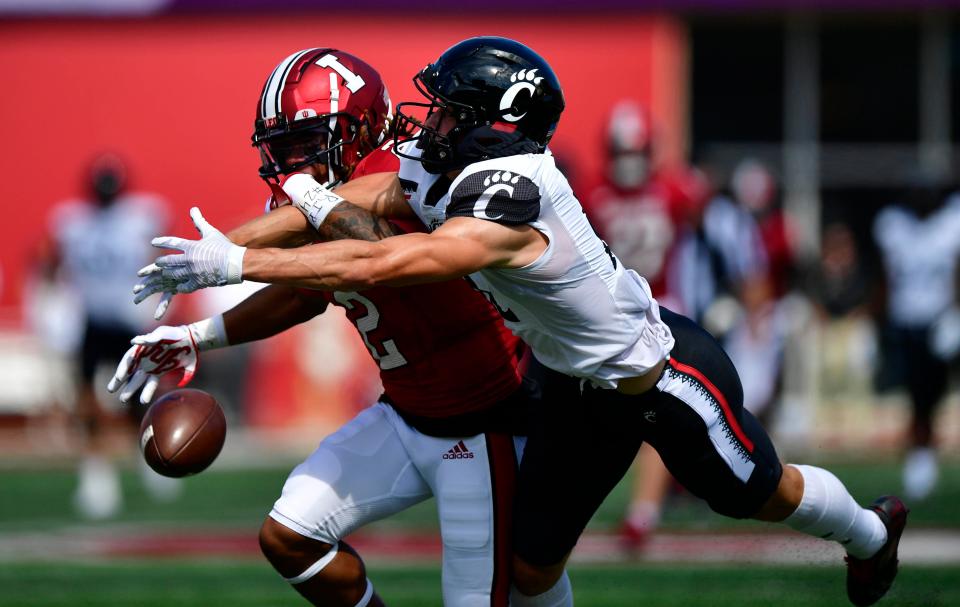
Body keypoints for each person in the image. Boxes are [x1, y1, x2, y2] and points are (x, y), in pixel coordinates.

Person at [135, 37, 908, 607]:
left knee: (757, 491)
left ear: (494, 124)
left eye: (448, 110)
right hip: (573, 390)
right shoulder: (447, 168)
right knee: (531, 571)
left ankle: (870, 536)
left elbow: (384, 262)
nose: (429, 121)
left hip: (657, 374)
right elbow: (370, 201)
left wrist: (233, 269)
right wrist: (221, 244)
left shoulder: (512, 195)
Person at [110, 47, 570, 607]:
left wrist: (280, 224)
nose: (293, 164)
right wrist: (196, 337)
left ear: (359, 129)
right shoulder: (320, 193)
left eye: (306, 144)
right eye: (282, 149)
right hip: (406, 415)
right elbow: (309, 293)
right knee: (291, 536)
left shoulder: (410, 169)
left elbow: (382, 255)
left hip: (484, 425)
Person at [33, 151, 179, 520]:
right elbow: (47, 264)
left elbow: (161, 257)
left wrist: (162, 302)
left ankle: (150, 460)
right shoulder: (72, 222)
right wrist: (51, 308)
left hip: (130, 321)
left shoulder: (140, 216)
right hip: (92, 321)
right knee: (87, 401)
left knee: (140, 400)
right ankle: (96, 474)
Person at [873, 178, 960, 501]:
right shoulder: (894, 226)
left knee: (933, 396)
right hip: (905, 324)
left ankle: (925, 458)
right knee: (914, 396)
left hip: (939, 323)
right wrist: (875, 325)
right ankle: (918, 458)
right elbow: (886, 279)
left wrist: (955, 314)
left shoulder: (951, 224)